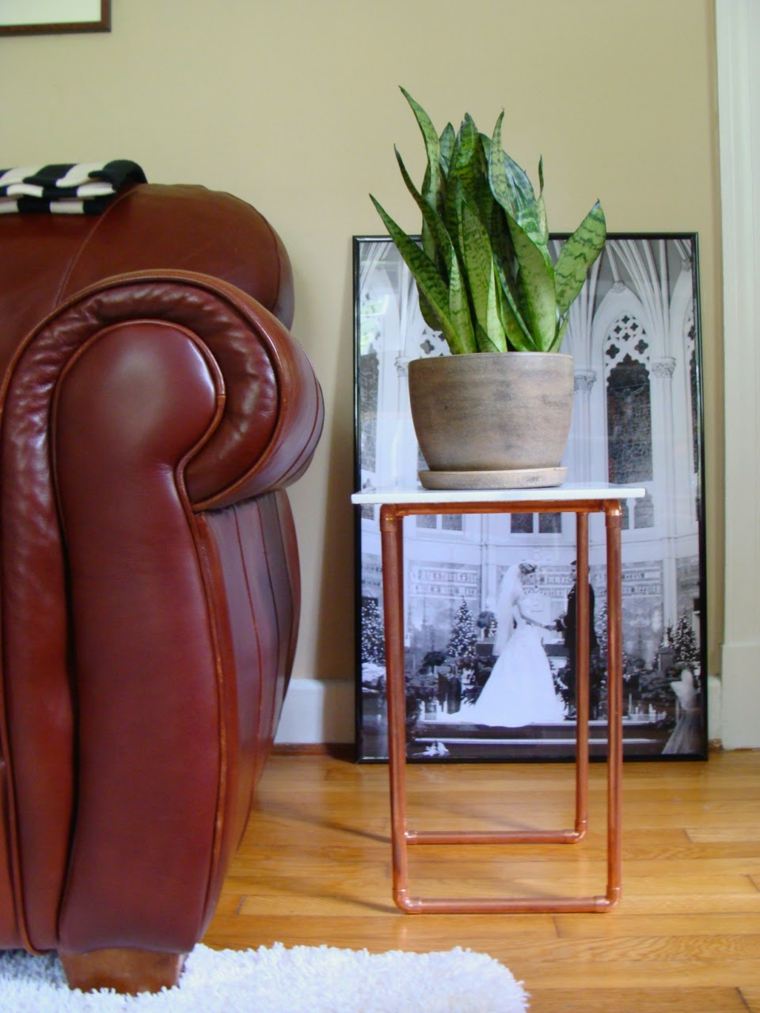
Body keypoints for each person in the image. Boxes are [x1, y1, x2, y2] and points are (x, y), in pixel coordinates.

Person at [457, 563, 566, 727]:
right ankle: (523, 707)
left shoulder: (518, 589)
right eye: (529, 575)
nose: (531, 579)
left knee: (529, 666)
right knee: (527, 666)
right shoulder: (517, 591)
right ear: (522, 574)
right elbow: (524, 614)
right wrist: (544, 624)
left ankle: (532, 705)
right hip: (524, 632)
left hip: (525, 633)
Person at [556, 560, 599, 717]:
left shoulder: (584, 588)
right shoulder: (578, 588)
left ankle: (583, 709)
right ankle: (580, 708)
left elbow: (578, 615)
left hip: (582, 638)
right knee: (576, 672)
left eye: (574, 570)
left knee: (580, 673)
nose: (571, 573)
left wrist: (560, 624)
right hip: (577, 637)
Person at [663, 667, 702, 754]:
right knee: (689, 731)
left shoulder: (681, 687)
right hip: (691, 712)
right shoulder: (689, 689)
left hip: (690, 712)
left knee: (687, 731)